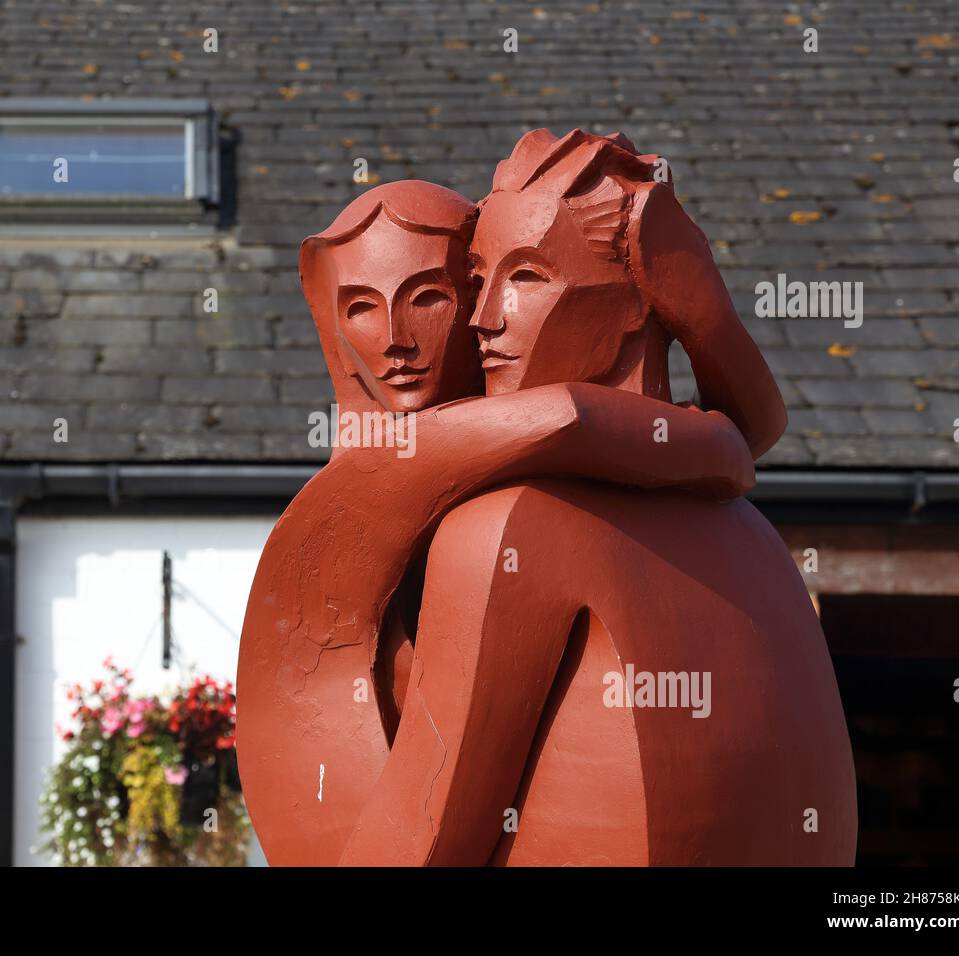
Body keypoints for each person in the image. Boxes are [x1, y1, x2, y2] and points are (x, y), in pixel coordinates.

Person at [238, 151, 782, 865]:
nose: (484, 321)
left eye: (523, 277)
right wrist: (582, 417)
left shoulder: (507, 531)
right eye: (359, 308)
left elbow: (424, 839)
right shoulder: (755, 534)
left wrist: (573, 417)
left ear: (637, 300)